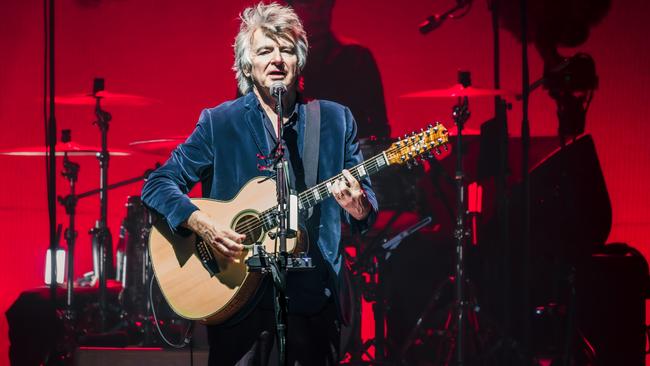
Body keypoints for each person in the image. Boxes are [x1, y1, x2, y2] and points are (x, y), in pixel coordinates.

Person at [141, 2, 378, 365]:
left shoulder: (334, 120)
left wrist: (357, 205)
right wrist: (200, 222)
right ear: (247, 65)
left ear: (299, 60)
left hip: (313, 303)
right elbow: (159, 184)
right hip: (234, 304)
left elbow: (365, 209)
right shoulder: (219, 123)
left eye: (286, 49)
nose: (277, 59)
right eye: (265, 50)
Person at [286, 0, 391, 139]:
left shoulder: (357, 57)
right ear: (290, 7)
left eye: (324, 2)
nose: (317, 10)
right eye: (308, 3)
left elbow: (380, 128)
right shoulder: (275, 62)